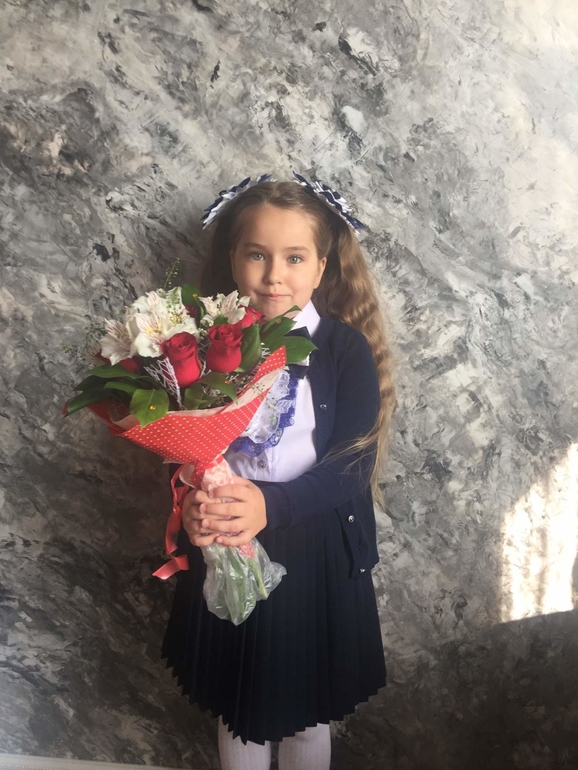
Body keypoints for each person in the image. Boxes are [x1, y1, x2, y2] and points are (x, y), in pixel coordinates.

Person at [160, 173, 395, 770]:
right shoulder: (205, 345)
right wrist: (194, 500)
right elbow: (191, 444)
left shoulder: (344, 350)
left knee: (304, 713)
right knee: (238, 709)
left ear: (321, 268)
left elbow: (351, 465)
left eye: (294, 257)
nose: (274, 275)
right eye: (257, 254)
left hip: (313, 548)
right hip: (227, 539)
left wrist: (273, 505)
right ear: (233, 259)